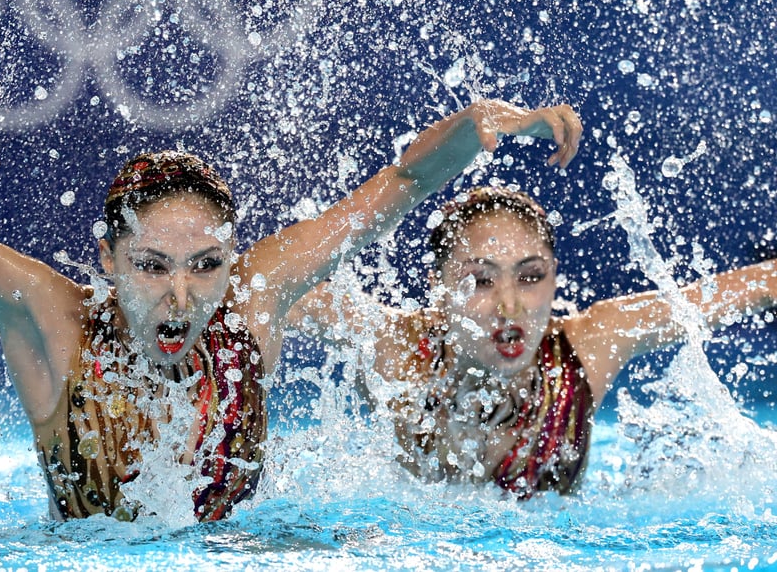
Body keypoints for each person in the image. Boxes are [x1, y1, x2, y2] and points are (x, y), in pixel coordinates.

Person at [0, 101, 580, 521]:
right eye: (152, 267)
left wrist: (482, 123)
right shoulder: (48, 317)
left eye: (206, 265)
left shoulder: (251, 305)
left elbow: (401, 186)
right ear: (108, 261)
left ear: (231, 261)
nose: (182, 296)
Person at [293, 186, 777, 498]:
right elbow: (262, 292)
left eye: (530, 277)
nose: (510, 306)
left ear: (554, 277)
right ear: (439, 289)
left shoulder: (589, 346)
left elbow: (754, 287)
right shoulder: (396, 350)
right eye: (481, 281)